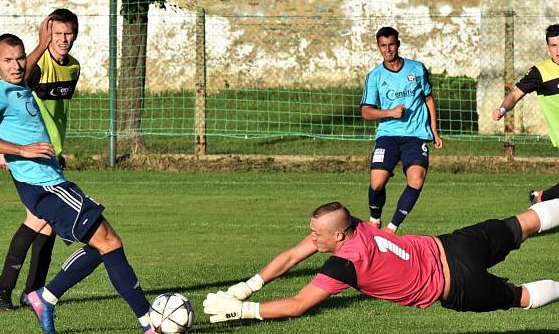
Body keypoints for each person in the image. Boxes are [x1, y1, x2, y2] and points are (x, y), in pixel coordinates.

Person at [0, 34, 155, 334]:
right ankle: (148, 322)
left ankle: (45, 296)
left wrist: (42, 41)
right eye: (7, 61)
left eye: (20, 58)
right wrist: (20, 150)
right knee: (110, 243)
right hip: (44, 187)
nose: (16, 66)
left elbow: (26, 69)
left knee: (102, 247)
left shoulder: (19, 85)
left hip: (53, 181)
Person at [203, 200, 559, 323]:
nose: (312, 240)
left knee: (518, 297)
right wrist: (250, 284)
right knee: (523, 222)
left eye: (317, 235)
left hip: (459, 288)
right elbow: (295, 255)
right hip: (455, 245)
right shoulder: (353, 225)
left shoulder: (344, 264)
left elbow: (298, 305)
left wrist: (244, 310)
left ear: (338, 236)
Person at [0, 8, 82, 311]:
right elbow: (12, 89)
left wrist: (58, 150)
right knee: (39, 218)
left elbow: (55, 116)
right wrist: (3, 149)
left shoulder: (74, 68)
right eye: (57, 34)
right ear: (47, 35)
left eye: (68, 33)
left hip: (50, 155)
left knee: (47, 223)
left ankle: (31, 292)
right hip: (27, 153)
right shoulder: (36, 66)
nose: (63, 39)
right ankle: (6, 290)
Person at [360, 27, 443, 234]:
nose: (388, 49)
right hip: (388, 135)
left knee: (416, 179)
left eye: (391, 44)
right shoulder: (375, 76)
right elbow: (366, 112)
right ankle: (375, 220)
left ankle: (392, 227)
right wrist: (389, 112)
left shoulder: (416, 69)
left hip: (415, 135)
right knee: (377, 183)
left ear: (398, 43)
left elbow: (428, 98)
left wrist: (434, 129)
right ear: (378, 47)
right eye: (383, 46)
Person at [493, 24, 559, 205]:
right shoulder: (540, 72)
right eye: (554, 46)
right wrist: (502, 109)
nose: (558, 50)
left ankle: (540, 197)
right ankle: (541, 198)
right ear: (548, 48)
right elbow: (515, 95)